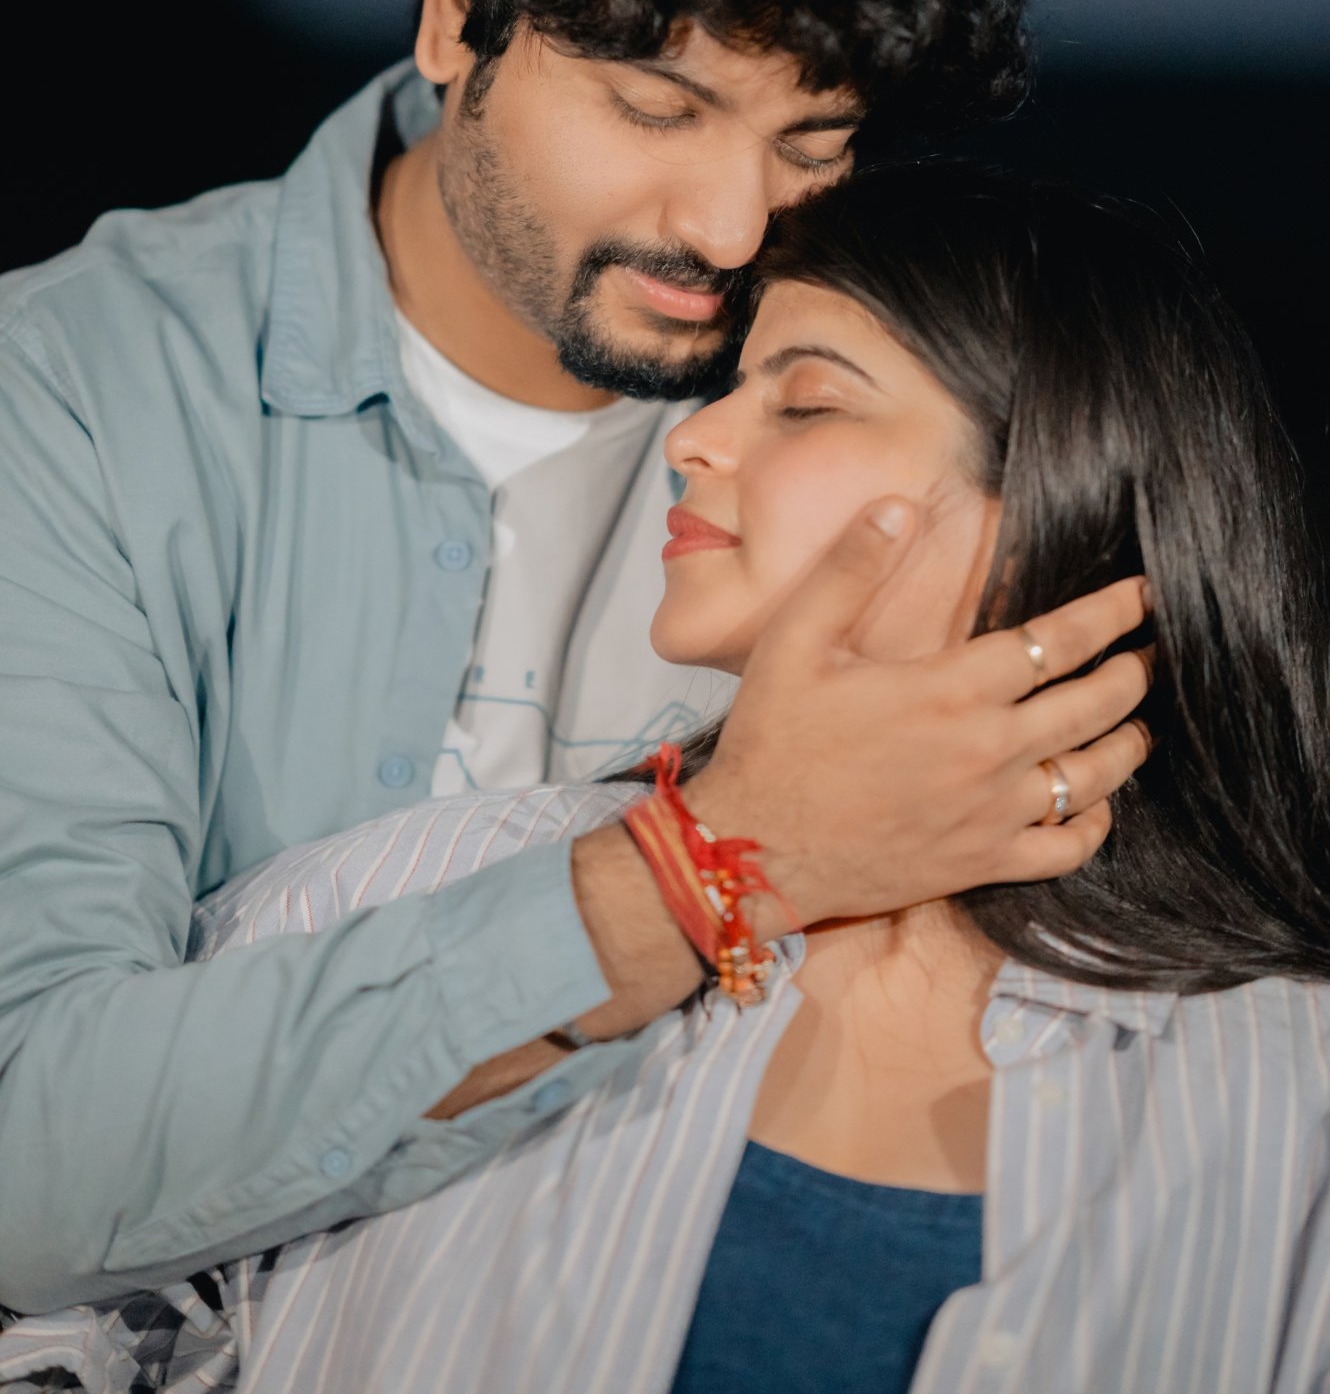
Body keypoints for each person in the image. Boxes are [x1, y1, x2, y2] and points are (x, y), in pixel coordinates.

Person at [0, 0, 1146, 1318]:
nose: (734, 220)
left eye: (811, 139)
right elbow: (33, 1172)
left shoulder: (876, 437)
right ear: (459, 7)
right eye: (658, 108)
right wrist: (717, 868)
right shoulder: (76, 387)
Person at [4, 160, 1324, 1394]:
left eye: (805, 399)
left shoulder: (1289, 1087)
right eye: (726, 385)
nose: (692, 440)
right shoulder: (382, 893)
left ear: (1057, 494)